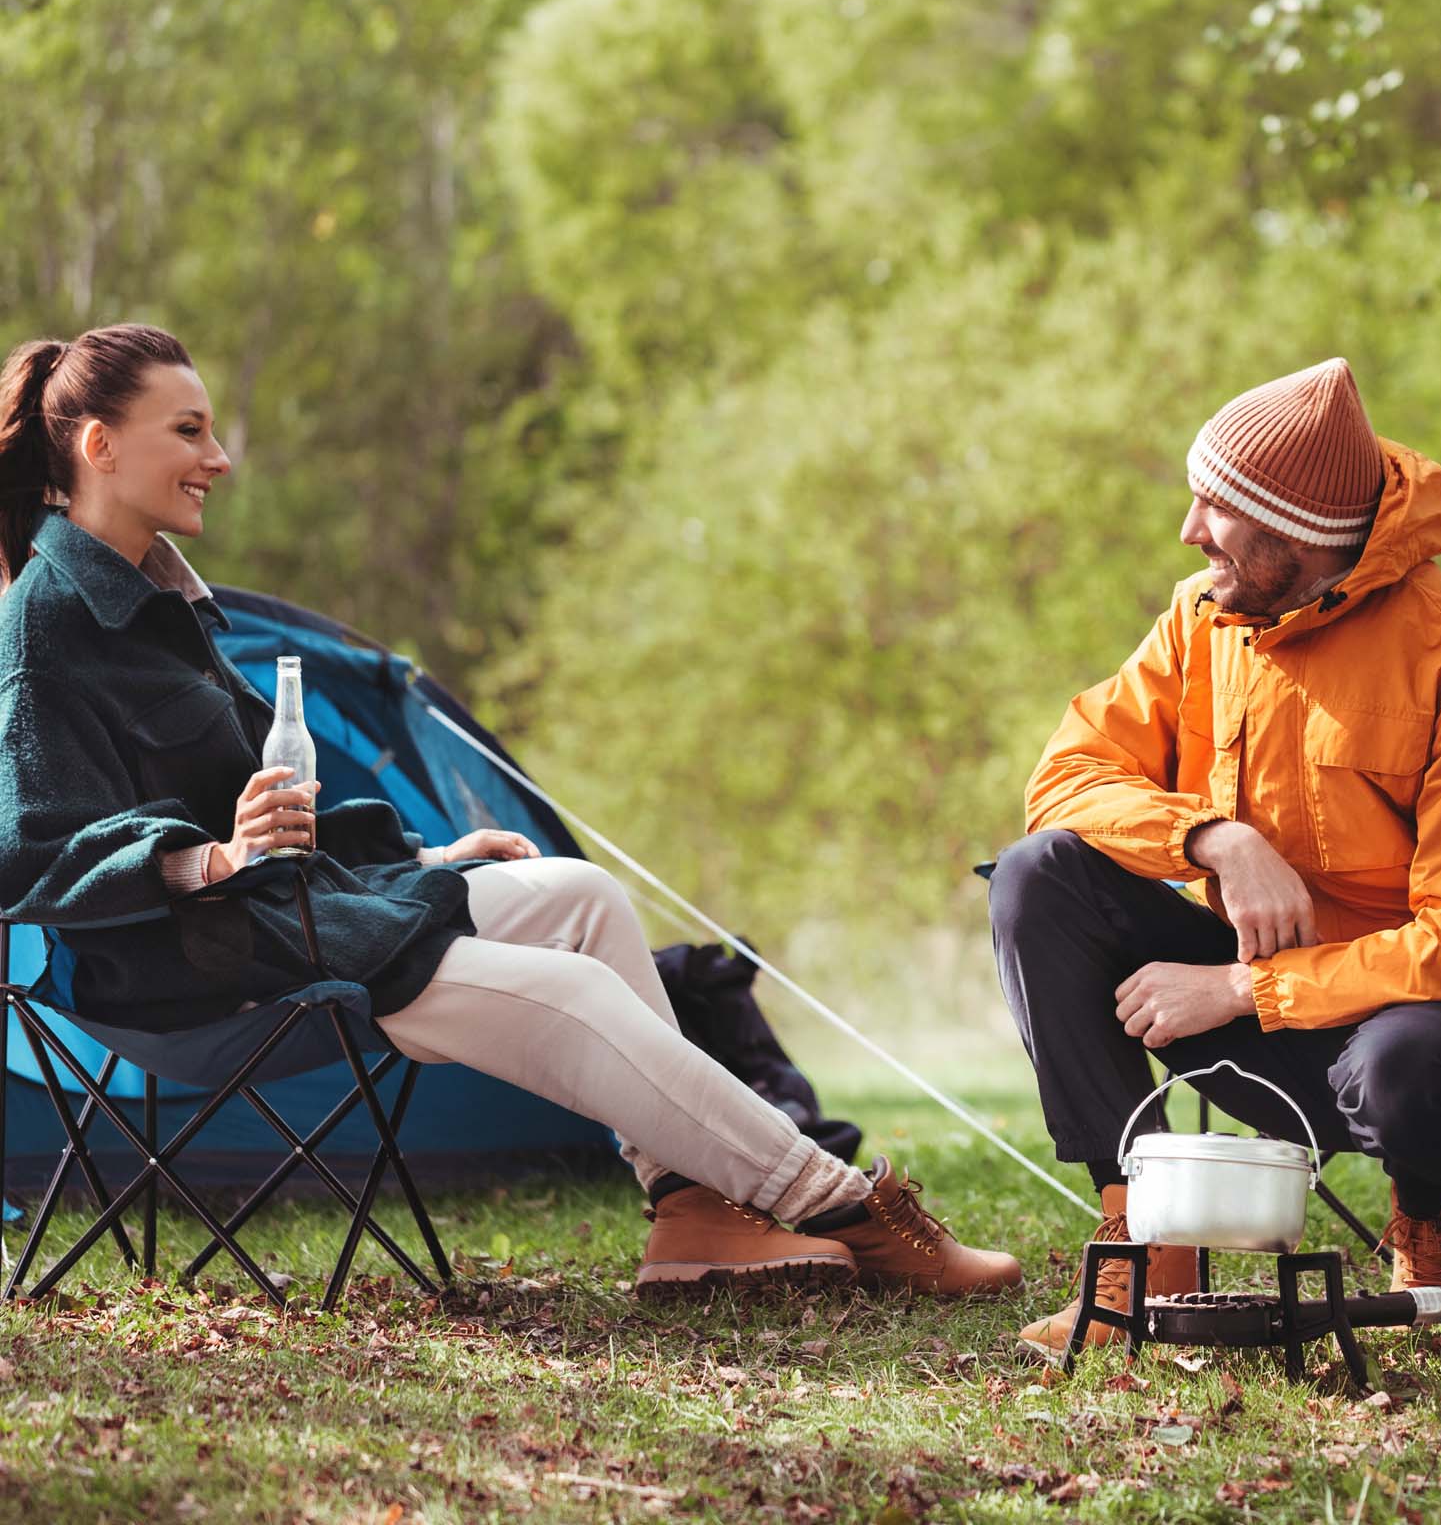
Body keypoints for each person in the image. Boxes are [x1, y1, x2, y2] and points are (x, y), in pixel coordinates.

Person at [0, 323, 1022, 1301]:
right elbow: (27, 852)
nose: (217, 456)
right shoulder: (45, 621)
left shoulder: (166, 605)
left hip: (286, 923)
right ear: (99, 445)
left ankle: (690, 1210)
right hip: (191, 973)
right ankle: (842, 1206)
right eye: (188, 430)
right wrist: (209, 860)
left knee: (580, 897)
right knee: (566, 995)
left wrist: (430, 852)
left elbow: (285, 803)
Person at [987, 358, 1441, 1356]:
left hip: (1411, 1035)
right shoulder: (1202, 615)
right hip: (1252, 1015)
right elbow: (1068, 775)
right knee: (1039, 875)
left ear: (1295, 533)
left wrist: (1239, 985)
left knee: (1417, 1060)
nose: (1187, 531)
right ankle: (1142, 1243)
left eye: (1214, 507)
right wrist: (1212, 838)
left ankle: (1429, 1236)